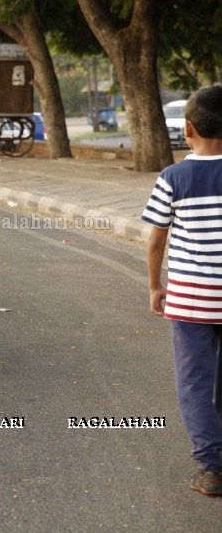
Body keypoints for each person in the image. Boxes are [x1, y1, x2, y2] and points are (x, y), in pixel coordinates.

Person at [142, 84, 222, 496]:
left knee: (195, 381)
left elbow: (156, 240)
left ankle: (212, 467)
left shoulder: (174, 176)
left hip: (191, 299)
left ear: (188, 129)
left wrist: (156, 286)